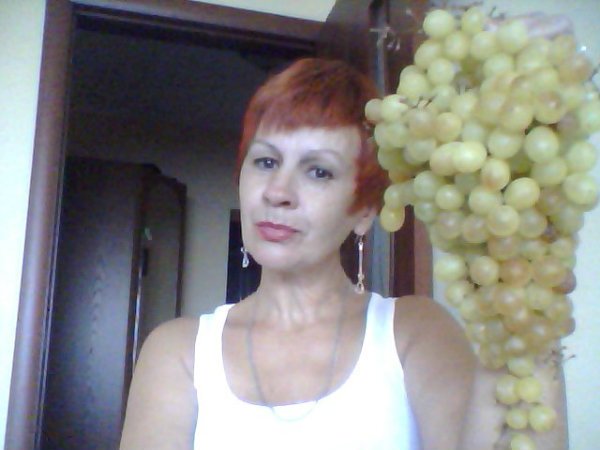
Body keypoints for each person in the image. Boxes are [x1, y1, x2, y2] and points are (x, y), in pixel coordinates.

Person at [119, 58, 566, 450]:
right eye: (266, 162)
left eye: (318, 171)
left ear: (364, 211)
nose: (277, 191)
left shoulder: (413, 333)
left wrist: (528, 295)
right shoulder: (178, 352)